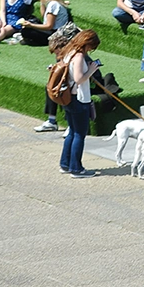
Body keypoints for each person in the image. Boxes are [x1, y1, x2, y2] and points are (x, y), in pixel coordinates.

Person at [57, 30, 101, 178]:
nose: (91, 50)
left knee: (72, 131)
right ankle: (76, 168)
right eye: (91, 47)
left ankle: (65, 164)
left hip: (68, 97)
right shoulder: (79, 55)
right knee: (79, 134)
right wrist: (91, 70)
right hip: (78, 99)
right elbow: (78, 78)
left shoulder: (68, 51)